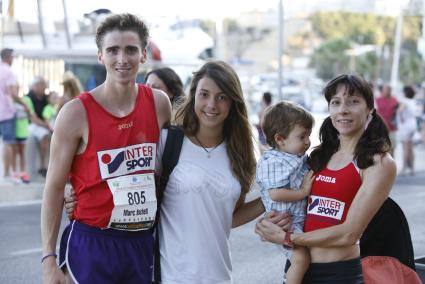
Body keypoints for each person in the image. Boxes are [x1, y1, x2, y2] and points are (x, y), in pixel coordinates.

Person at [65, 60, 278, 283]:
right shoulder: (169, 142)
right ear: (193, 95)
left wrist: (268, 199)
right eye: (204, 94)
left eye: (222, 97)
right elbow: (124, 182)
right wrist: (74, 193)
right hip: (171, 275)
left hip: (219, 276)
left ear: (233, 102)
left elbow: (228, 217)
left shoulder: (241, 153)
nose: (212, 104)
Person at [40, 13, 171, 284]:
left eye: (131, 50)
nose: (122, 59)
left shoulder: (160, 104)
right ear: (100, 55)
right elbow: (53, 187)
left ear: (143, 55)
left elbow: (168, 171)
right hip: (92, 243)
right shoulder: (75, 113)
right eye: (113, 50)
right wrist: (48, 259)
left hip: (141, 242)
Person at [256, 74, 396, 283]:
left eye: (353, 101)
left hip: (338, 275)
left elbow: (348, 234)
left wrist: (288, 238)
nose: (343, 110)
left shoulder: (378, 163)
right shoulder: (317, 157)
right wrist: (266, 223)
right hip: (297, 269)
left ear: (370, 110)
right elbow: (279, 194)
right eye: (336, 102)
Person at [256, 101, 315, 284]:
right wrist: (304, 191)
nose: (308, 141)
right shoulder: (275, 162)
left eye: (309, 135)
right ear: (280, 139)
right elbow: (276, 194)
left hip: (293, 218)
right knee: (301, 259)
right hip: (284, 222)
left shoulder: (293, 156)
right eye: (302, 136)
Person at [0, 48, 29, 181]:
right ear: (8, 57)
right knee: (8, 143)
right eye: (12, 57)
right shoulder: (9, 72)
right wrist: (24, 104)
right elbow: (12, 93)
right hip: (6, 111)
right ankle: (6, 174)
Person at [26, 76, 50, 177]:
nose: (45, 88)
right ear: (36, 86)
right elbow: (32, 118)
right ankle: (42, 166)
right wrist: (46, 125)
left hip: (42, 124)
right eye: (43, 85)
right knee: (44, 135)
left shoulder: (45, 98)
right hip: (31, 124)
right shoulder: (28, 97)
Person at [396, 85, 417, 176]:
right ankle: (412, 168)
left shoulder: (404, 102)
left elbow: (399, 111)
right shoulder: (413, 101)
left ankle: (404, 168)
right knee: (411, 148)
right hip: (413, 124)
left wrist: (401, 119)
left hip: (406, 126)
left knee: (405, 148)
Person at [375, 84, 398, 156]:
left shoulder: (394, 99)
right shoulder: (377, 100)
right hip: (381, 128)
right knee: (382, 148)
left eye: (390, 89)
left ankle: (392, 163)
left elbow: (398, 110)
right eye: (387, 89)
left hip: (392, 128)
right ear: (382, 90)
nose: (388, 91)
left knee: (392, 147)